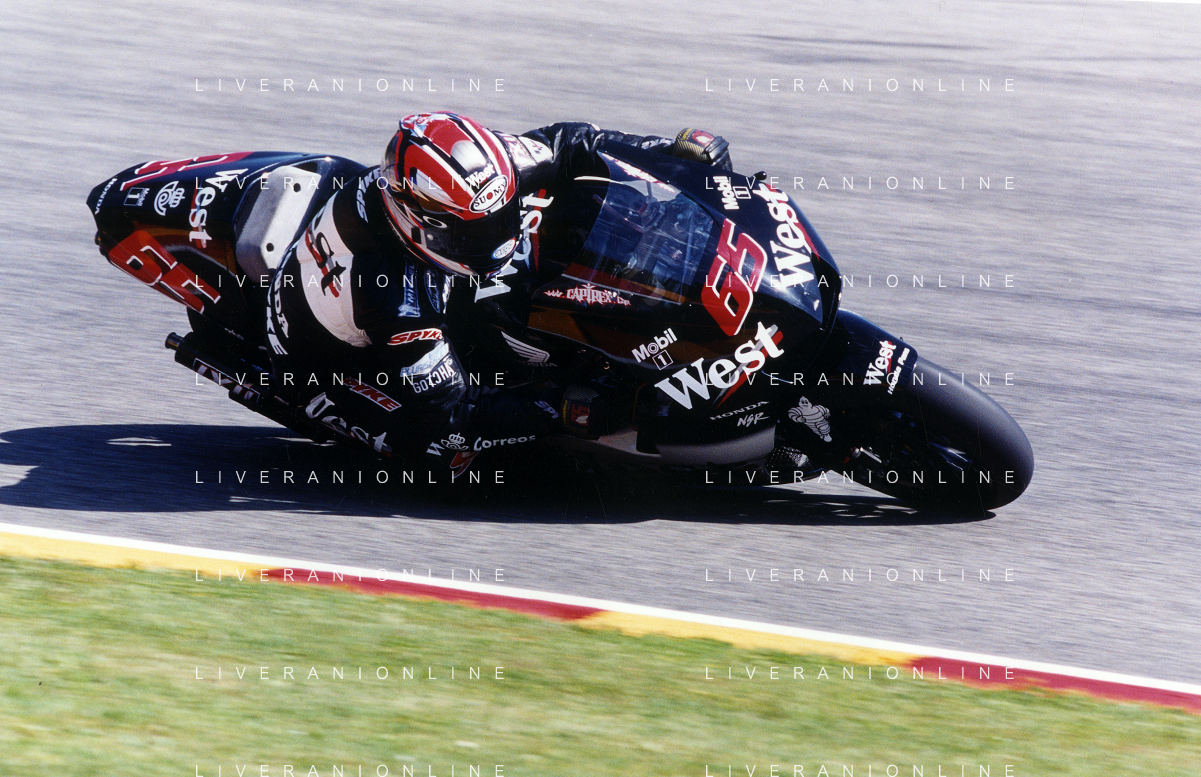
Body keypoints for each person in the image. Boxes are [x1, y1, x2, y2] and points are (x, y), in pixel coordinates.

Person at [265, 112, 731, 475]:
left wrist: (668, 154)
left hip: (417, 287)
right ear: (422, 226)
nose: (501, 236)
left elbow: (572, 143)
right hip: (325, 368)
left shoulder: (485, 171)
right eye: (477, 232)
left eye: (501, 216)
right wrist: (563, 407)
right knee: (447, 454)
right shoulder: (393, 295)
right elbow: (453, 411)